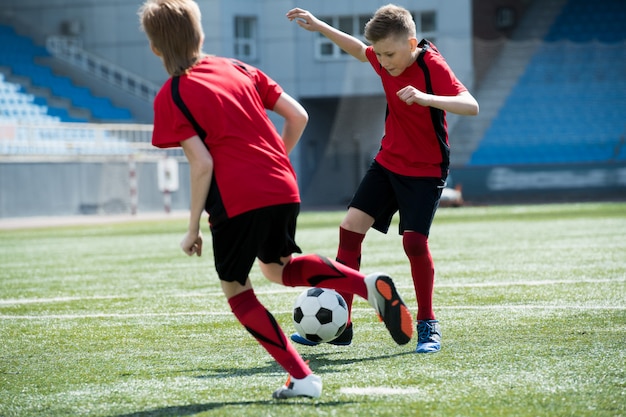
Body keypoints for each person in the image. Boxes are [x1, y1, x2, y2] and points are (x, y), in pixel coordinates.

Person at [138, 0, 414, 400]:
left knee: (237, 289)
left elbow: (201, 165)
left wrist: (193, 226)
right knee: (277, 268)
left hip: (236, 197)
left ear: (155, 49)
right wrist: (274, 162)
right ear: (199, 35)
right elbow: (298, 116)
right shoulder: (237, 68)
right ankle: (366, 285)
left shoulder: (172, 94)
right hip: (282, 183)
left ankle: (302, 378)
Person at [287, 5, 479, 353]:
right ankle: (342, 325)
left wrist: (425, 99)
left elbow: (471, 105)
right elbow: (360, 51)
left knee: (413, 244)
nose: (383, 61)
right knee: (349, 229)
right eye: (380, 54)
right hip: (388, 162)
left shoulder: (431, 65)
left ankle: (427, 324)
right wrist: (320, 26)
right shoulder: (383, 56)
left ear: (410, 42)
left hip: (426, 169)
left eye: (389, 53)